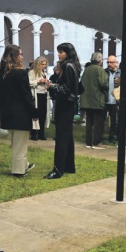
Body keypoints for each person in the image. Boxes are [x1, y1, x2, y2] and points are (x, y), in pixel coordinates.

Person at [0, 45, 37, 177]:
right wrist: (34, 111)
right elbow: (26, 94)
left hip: (7, 112)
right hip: (21, 113)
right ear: (14, 56)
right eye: (20, 54)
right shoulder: (20, 73)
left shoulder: (0, 73)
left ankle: (24, 165)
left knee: (16, 142)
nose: (22, 57)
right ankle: (18, 171)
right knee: (20, 144)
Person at [44, 43, 81, 179]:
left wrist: (51, 87)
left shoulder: (67, 66)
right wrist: (54, 85)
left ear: (68, 53)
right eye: (59, 51)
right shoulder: (73, 65)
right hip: (69, 105)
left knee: (61, 137)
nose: (59, 54)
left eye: (61, 52)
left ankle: (58, 169)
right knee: (67, 136)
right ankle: (69, 166)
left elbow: (67, 88)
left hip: (65, 105)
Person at [81, 52, 108, 149]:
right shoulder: (99, 69)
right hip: (97, 100)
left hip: (86, 100)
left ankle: (88, 142)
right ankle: (96, 142)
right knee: (98, 122)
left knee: (89, 121)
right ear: (100, 61)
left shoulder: (87, 69)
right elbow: (103, 84)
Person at [27, 56, 50, 140]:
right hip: (36, 95)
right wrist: (38, 81)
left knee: (43, 115)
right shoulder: (32, 72)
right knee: (35, 115)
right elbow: (29, 82)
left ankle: (41, 134)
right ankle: (33, 134)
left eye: (45, 64)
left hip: (44, 95)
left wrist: (47, 84)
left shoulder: (45, 73)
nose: (44, 66)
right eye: (42, 64)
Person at [104, 55, 120, 143]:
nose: (109, 64)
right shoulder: (104, 72)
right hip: (105, 100)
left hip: (115, 100)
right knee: (102, 120)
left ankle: (112, 136)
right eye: (108, 62)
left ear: (116, 63)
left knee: (114, 120)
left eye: (111, 62)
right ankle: (100, 136)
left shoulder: (120, 73)